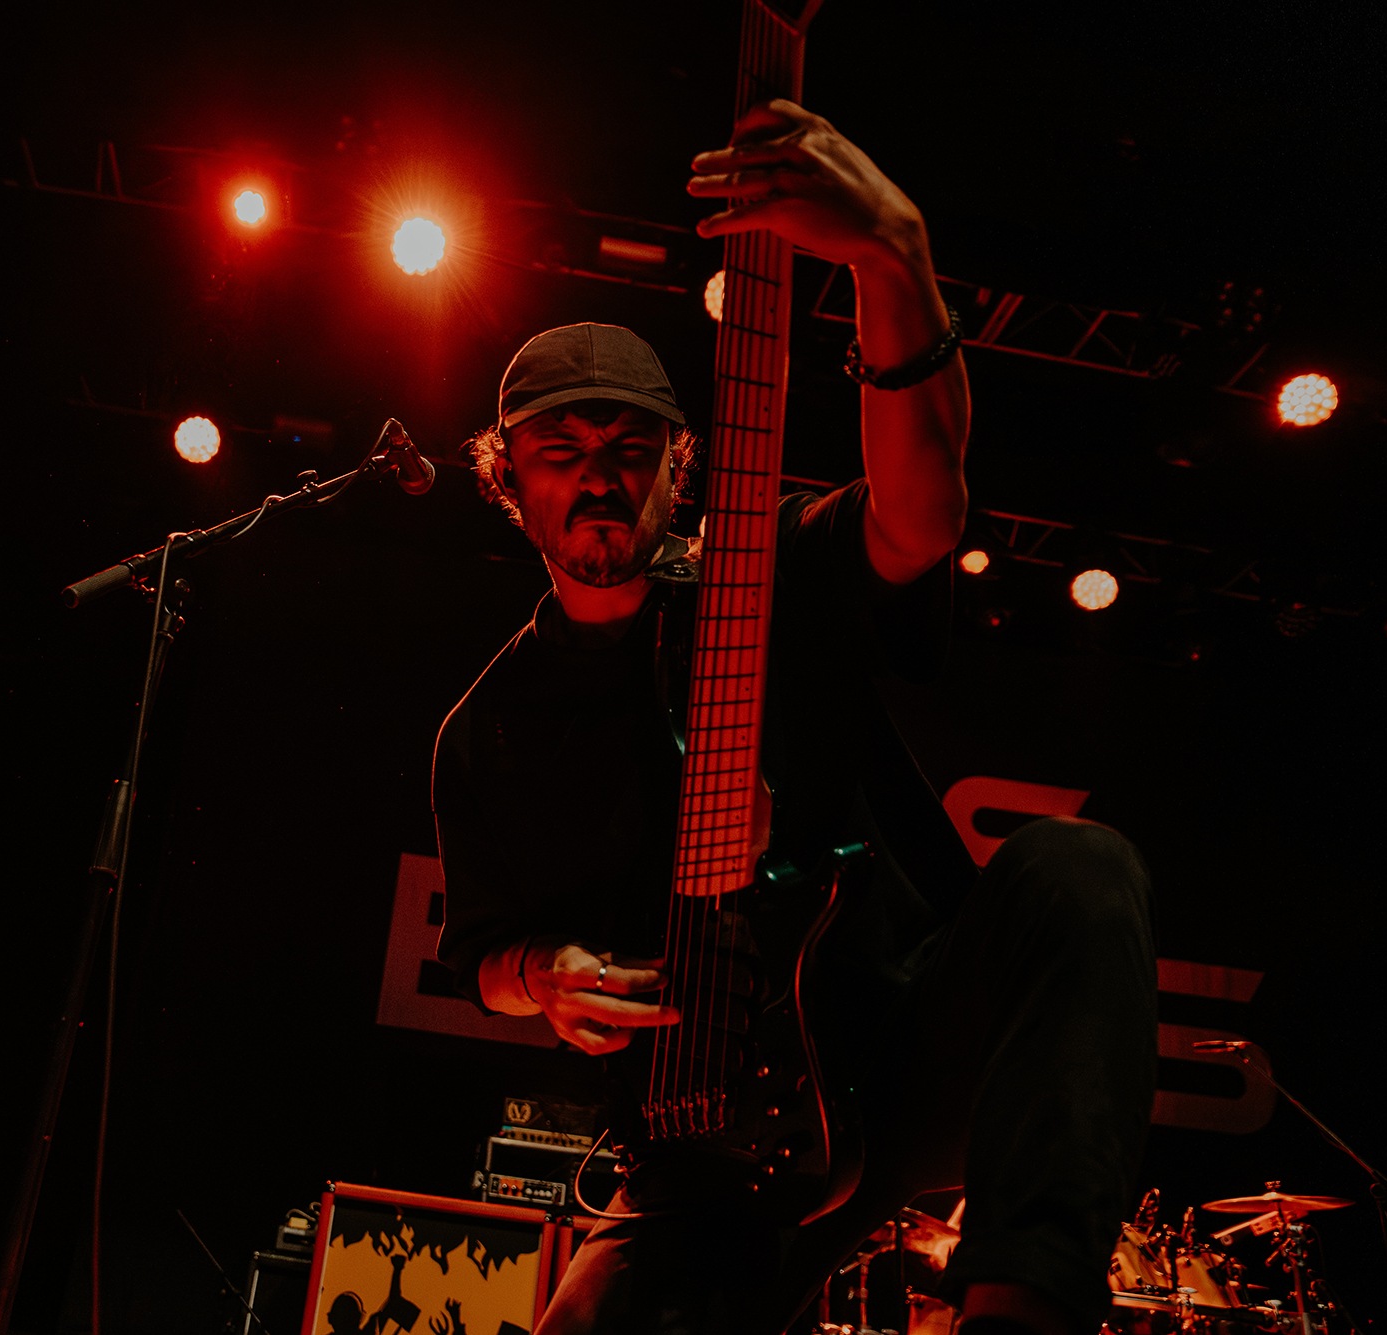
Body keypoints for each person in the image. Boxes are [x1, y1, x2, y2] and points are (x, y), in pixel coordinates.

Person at [432, 100, 1157, 1335]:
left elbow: (922, 513)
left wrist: (891, 253)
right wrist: (542, 976)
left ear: (679, 467)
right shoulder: (486, 728)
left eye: (630, 444)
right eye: (558, 446)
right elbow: (485, 960)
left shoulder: (767, 572)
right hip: (694, 1149)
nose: (598, 472)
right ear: (507, 476)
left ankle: (1020, 1309)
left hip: (894, 1053)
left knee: (1074, 871)